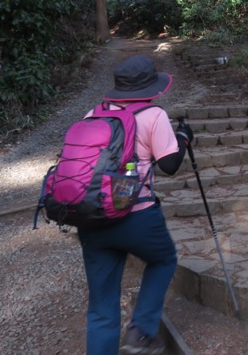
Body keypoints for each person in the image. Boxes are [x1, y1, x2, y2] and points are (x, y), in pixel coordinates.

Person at [77, 55, 190, 355]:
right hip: (135, 215)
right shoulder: (153, 115)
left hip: (92, 217)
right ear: (151, 87)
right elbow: (169, 165)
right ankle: (140, 331)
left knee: (101, 308)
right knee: (163, 259)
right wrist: (183, 139)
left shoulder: (93, 114)